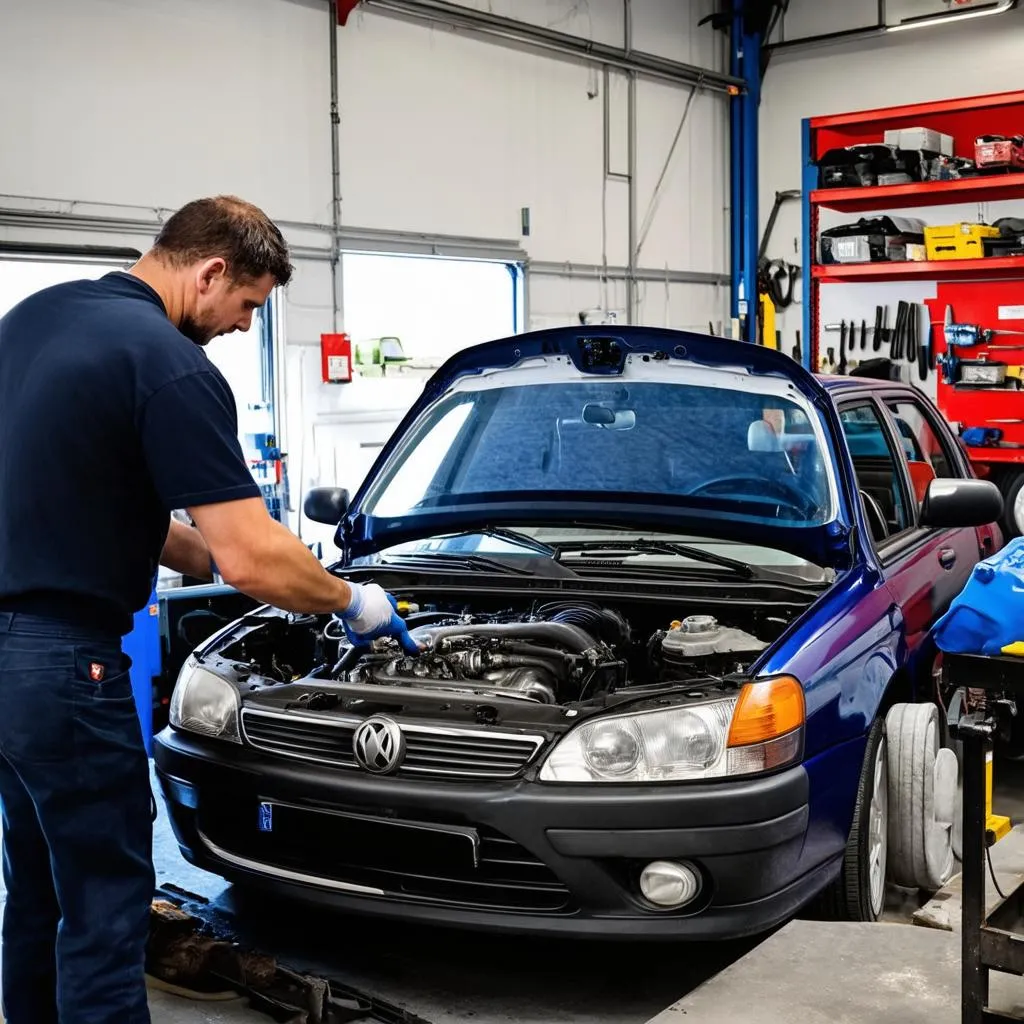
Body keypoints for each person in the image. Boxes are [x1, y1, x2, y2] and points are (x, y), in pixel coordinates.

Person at [0, 195, 415, 1024]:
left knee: (42, 886)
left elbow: (133, 514)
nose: (238, 326)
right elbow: (249, 559)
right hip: (61, 664)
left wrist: (273, 553)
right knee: (108, 910)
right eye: (248, 306)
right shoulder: (169, 363)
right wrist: (351, 599)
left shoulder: (35, 320)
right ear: (211, 272)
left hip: (8, 663)